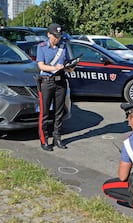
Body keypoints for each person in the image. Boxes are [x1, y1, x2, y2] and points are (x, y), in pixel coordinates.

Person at [36, 23, 73, 151]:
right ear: (49, 34)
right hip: (47, 82)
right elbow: (41, 65)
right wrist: (54, 68)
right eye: (55, 36)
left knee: (59, 112)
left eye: (59, 36)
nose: (57, 39)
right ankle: (44, 140)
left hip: (61, 81)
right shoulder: (41, 47)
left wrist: (70, 68)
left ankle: (57, 138)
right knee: (45, 113)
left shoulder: (63, 46)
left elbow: (67, 62)